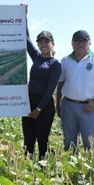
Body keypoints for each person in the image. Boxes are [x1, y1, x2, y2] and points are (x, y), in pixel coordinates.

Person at [56, 30, 94, 150]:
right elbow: (60, 83)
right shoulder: (65, 61)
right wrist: (58, 104)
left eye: (84, 41)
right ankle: (70, 167)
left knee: (91, 143)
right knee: (69, 142)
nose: (80, 43)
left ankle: (90, 167)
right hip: (68, 106)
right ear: (72, 44)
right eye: (77, 41)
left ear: (90, 43)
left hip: (89, 107)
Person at [22, 30, 62, 159]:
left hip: (44, 107)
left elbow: (50, 89)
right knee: (28, 141)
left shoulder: (56, 65)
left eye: (46, 41)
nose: (43, 44)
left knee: (42, 141)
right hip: (29, 103)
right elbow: (26, 38)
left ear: (53, 43)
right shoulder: (37, 57)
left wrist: (38, 109)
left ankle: (42, 170)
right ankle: (27, 171)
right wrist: (24, 15)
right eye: (40, 42)